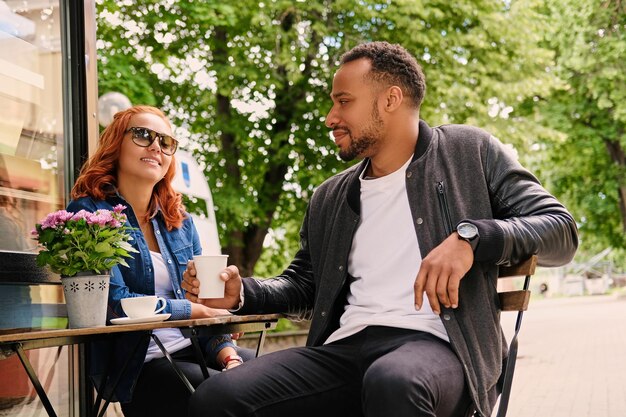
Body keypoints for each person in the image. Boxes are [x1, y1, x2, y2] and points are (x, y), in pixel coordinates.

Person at [182, 42, 579, 417]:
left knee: (392, 382)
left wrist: (471, 239)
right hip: (344, 349)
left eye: (343, 101)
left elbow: (561, 231)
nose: (330, 117)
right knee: (216, 398)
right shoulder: (331, 196)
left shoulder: (467, 152)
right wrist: (242, 294)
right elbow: (306, 286)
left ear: (390, 99)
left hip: (441, 347)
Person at [67, 105, 252, 417]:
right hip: (140, 365)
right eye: (142, 134)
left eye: (165, 142)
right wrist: (194, 309)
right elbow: (115, 301)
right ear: (116, 143)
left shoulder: (179, 222)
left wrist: (227, 354)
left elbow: (204, 302)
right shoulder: (89, 214)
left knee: (276, 382)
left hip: (196, 350)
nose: (155, 146)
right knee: (234, 399)